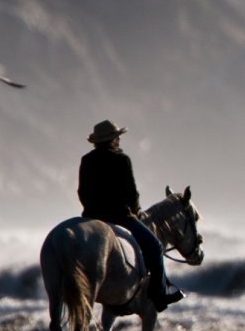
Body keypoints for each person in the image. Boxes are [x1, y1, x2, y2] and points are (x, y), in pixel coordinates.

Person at [78, 120, 183, 311]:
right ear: (113, 139)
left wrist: (91, 211)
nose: (119, 139)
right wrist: (135, 212)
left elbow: (82, 192)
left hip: (91, 217)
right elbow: (131, 193)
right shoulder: (121, 159)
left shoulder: (87, 160)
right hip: (119, 216)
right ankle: (159, 295)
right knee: (155, 246)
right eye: (117, 136)